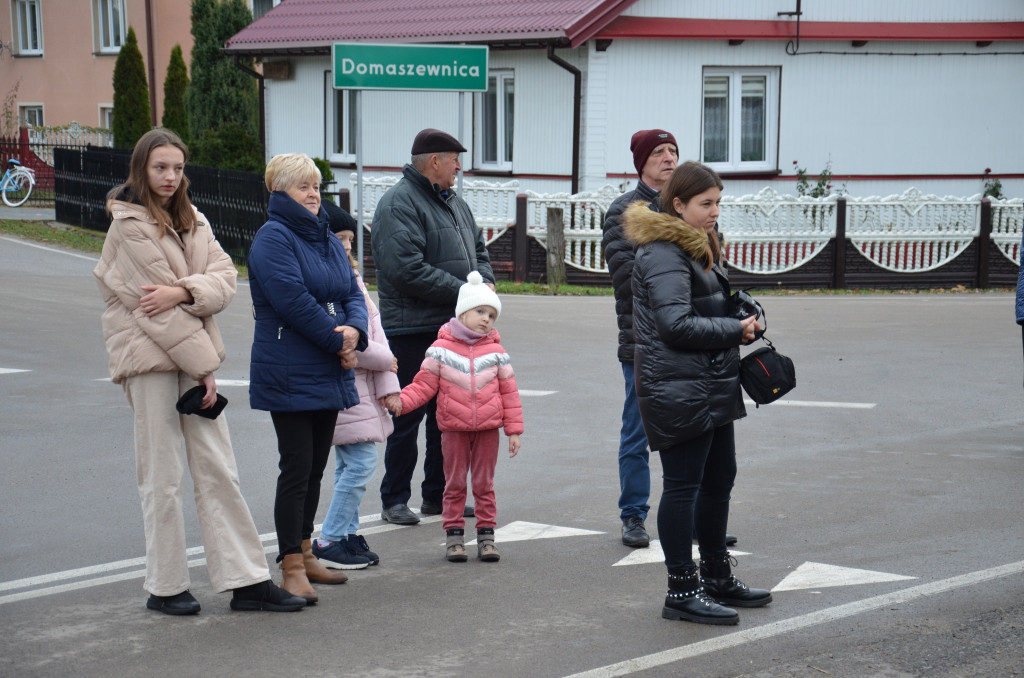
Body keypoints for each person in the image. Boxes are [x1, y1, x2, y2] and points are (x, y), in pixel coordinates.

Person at [94, 128, 305, 615]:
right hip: (148, 360)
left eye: (177, 167)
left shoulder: (194, 219)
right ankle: (164, 586)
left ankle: (247, 581)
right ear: (142, 170)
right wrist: (205, 361)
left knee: (218, 469)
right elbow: (154, 308)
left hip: (190, 358)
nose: (170, 176)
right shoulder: (128, 225)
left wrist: (185, 291)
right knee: (161, 476)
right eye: (160, 167)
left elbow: (227, 279)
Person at [623, 160, 771, 625]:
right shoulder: (663, 250)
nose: (714, 212)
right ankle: (682, 591)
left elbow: (700, 303)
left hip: (708, 382)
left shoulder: (696, 245)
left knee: (718, 480)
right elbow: (675, 324)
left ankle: (717, 578)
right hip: (678, 386)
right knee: (684, 487)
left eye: (718, 203)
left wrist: (738, 305)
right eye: (706, 204)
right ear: (678, 203)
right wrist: (735, 330)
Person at [248, 153, 369, 605]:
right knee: (296, 469)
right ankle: (290, 565)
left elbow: (352, 290)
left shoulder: (325, 237)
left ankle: (306, 548)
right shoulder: (272, 237)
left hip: (325, 364)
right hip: (290, 368)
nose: (314, 194)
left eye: (316, 185)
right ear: (280, 192)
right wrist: (339, 341)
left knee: (317, 467)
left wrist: (354, 332)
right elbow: (292, 301)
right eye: (303, 187)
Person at [371, 128, 495, 526]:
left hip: (450, 328)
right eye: (455, 159)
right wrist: (465, 294)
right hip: (412, 329)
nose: (460, 166)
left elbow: (479, 249)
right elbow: (405, 270)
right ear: (435, 162)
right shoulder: (398, 204)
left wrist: (485, 283)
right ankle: (394, 499)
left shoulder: (454, 203)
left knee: (449, 416)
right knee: (407, 415)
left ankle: (436, 497)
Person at [384, 272, 522, 562]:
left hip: (487, 430)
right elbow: (423, 385)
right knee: (455, 483)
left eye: (492, 315)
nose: (486, 319)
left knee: (485, 484)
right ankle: (454, 537)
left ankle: (486, 536)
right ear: (462, 313)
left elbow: (509, 393)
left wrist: (514, 430)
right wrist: (401, 401)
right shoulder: (440, 351)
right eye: (480, 311)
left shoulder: (497, 352)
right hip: (453, 430)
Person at [311, 200, 400, 569]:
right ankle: (330, 538)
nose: (346, 246)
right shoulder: (331, 280)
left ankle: (347, 534)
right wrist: (386, 361)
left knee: (350, 465)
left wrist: (387, 376)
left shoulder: (352, 277)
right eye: (340, 237)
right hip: (350, 386)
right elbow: (351, 339)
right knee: (361, 464)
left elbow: (372, 329)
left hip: (361, 388)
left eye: (350, 239)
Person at [602, 129, 679, 548]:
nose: (668, 158)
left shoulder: (689, 205)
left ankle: (691, 513)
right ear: (642, 162)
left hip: (690, 339)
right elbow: (628, 276)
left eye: (673, 151)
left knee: (693, 430)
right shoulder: (623, 211)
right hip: (643, 340)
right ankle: (633, 515)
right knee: (638, 431)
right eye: (659, 152)